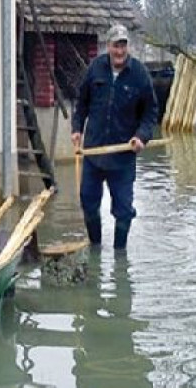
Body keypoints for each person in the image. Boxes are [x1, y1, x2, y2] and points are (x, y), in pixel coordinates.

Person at [71, 24, 158, 250]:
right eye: (115, 46)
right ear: (108, 46)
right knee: (88, 203)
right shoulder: (95, 69)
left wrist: (142, 137)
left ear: (127, 46)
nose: (119, 51)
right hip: (93, 153)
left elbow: (150, 113)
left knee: (124, 210)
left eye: (123, 46)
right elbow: (81, 103)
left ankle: (120, 257)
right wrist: (77, 128)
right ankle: (95, 248)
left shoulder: (139, 74)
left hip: (123, 156)